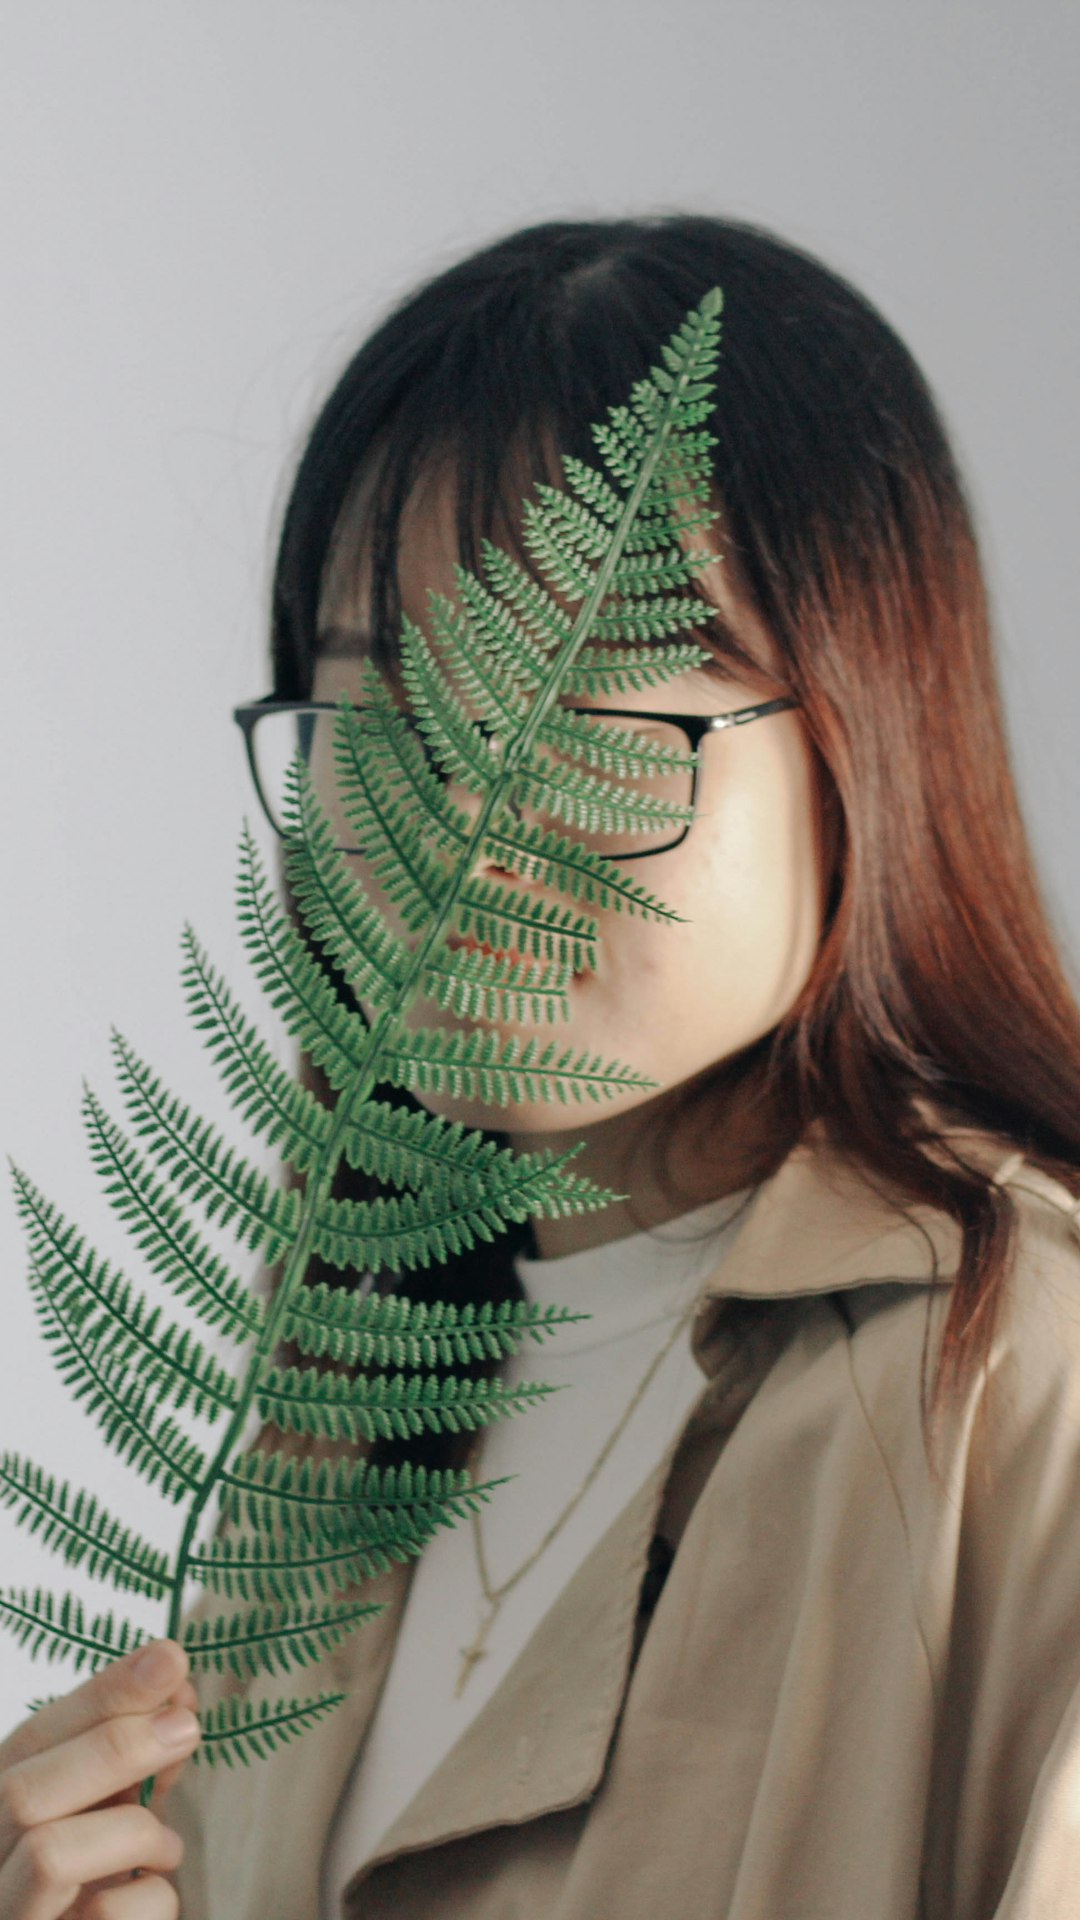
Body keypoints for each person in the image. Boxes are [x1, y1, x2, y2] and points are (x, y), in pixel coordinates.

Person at [4, 213, 1080, 1919]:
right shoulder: (328, 1409)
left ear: (869, 741)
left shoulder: (1020, 1381)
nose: (467, 825)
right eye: (379, 708)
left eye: (593, 708)